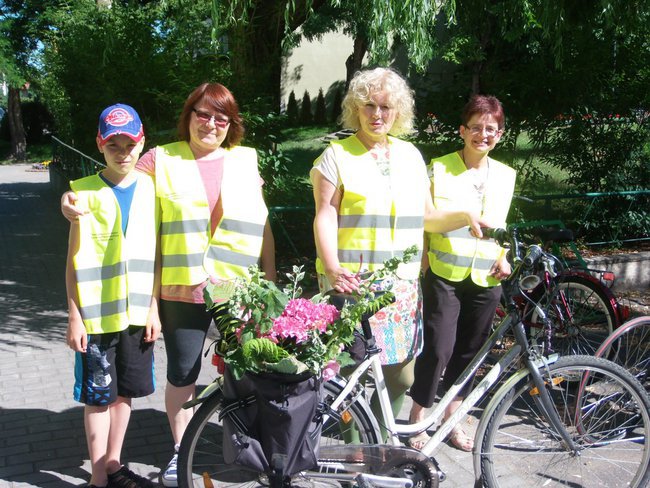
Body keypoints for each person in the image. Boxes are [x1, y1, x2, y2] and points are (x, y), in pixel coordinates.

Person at [62, 83, 276, 487]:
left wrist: (270, 275)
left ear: (231, 125)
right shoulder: (158, 159)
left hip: (237, 289)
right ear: (188, 115)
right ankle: (182, 450)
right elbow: (113, 185)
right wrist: (68, 202)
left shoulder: (245, 162)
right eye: (202, 113)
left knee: (246, 371)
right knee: (183, 374)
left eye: (220, 117)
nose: (210, 123)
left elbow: (260, 224)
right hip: (181, 290)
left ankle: (247, 449)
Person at [311, 67, 482, 439]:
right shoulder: (336, 155)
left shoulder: (410, 156)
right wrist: (331, 266)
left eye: (386, 107)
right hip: (352, 285)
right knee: (349, 374)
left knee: (402, 375)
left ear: (398, 111)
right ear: (355, 108)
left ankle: (373, 434)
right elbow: (324, 213)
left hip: (400, 287)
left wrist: (464, 216)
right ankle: (359, 447)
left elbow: (427, 217)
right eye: (369, 105)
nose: (377, 114)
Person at [408, 94, 516, 451]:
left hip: (487, 277)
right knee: (438, 349)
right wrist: (422, 261)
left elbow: (500, 226)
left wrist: (504, 256)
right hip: (444, 274)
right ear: (462, 130)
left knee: (470, 353)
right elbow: (423, 221)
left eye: (491, 129)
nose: (482, 135)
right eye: (475, 127)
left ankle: (453, 420)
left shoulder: (505, 175)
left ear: (500, 134)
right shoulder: (438, 168)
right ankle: (416, 421)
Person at [65, 103, 160, 488]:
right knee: (98, 398)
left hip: (137, 316)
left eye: (130, 143)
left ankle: (115, 463)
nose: (123, 153)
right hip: (95, 318)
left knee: (125, 396)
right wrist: (73, 316)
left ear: (142, 142)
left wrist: (153, 307)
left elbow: (156, 256)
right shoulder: (81, 194)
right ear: (99, 145)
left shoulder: (153, 189)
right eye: (113, 145)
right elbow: (72, 262)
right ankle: (97, 477)